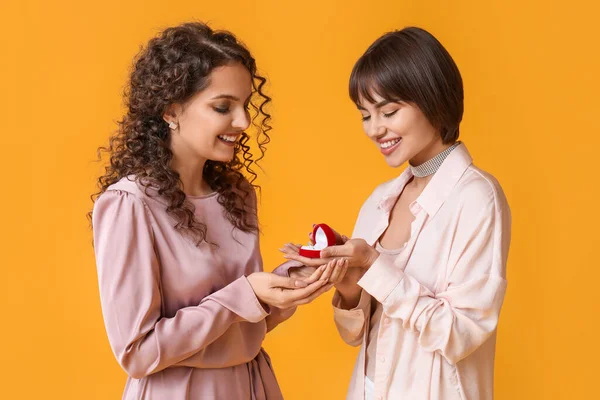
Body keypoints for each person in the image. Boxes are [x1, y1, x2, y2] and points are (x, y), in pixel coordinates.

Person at [90, 22, 338, 399]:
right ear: (172, 111)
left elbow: (240, 323)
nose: (243, 122)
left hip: (253, 386)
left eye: (245, 106)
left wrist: (292, 282)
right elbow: (137, 353)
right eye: (223, 107)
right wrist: (244, 295)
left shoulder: (236, 195)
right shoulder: (130, 205)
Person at [282, 27, 511, 400]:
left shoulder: (477, 197)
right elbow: (354, 334)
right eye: (365, 115)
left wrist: (374, 266)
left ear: (433, 100)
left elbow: (459, 334)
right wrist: (348, 281)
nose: (375, 129)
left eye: (388, 111)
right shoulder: (379, 201)